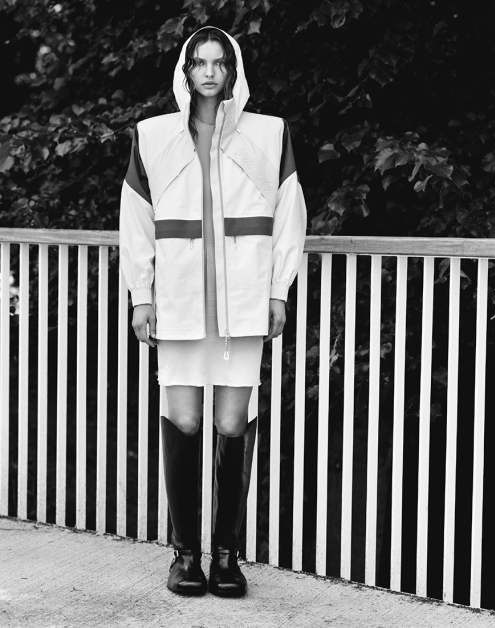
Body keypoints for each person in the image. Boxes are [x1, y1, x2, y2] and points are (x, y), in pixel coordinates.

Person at [119, 26, 306, 597]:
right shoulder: (152, 135)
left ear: (232, 70)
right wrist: (142, 295)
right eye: (199, 62)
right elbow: (136, 220)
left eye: (219, 62)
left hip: (242, 303)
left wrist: (278, 290)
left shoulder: (269, 133)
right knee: (184, 420)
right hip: (179, 302)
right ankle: (185, 556)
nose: (208, 72)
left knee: (231, 423)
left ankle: (227, 556)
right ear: (186, 70)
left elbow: (290, 214)